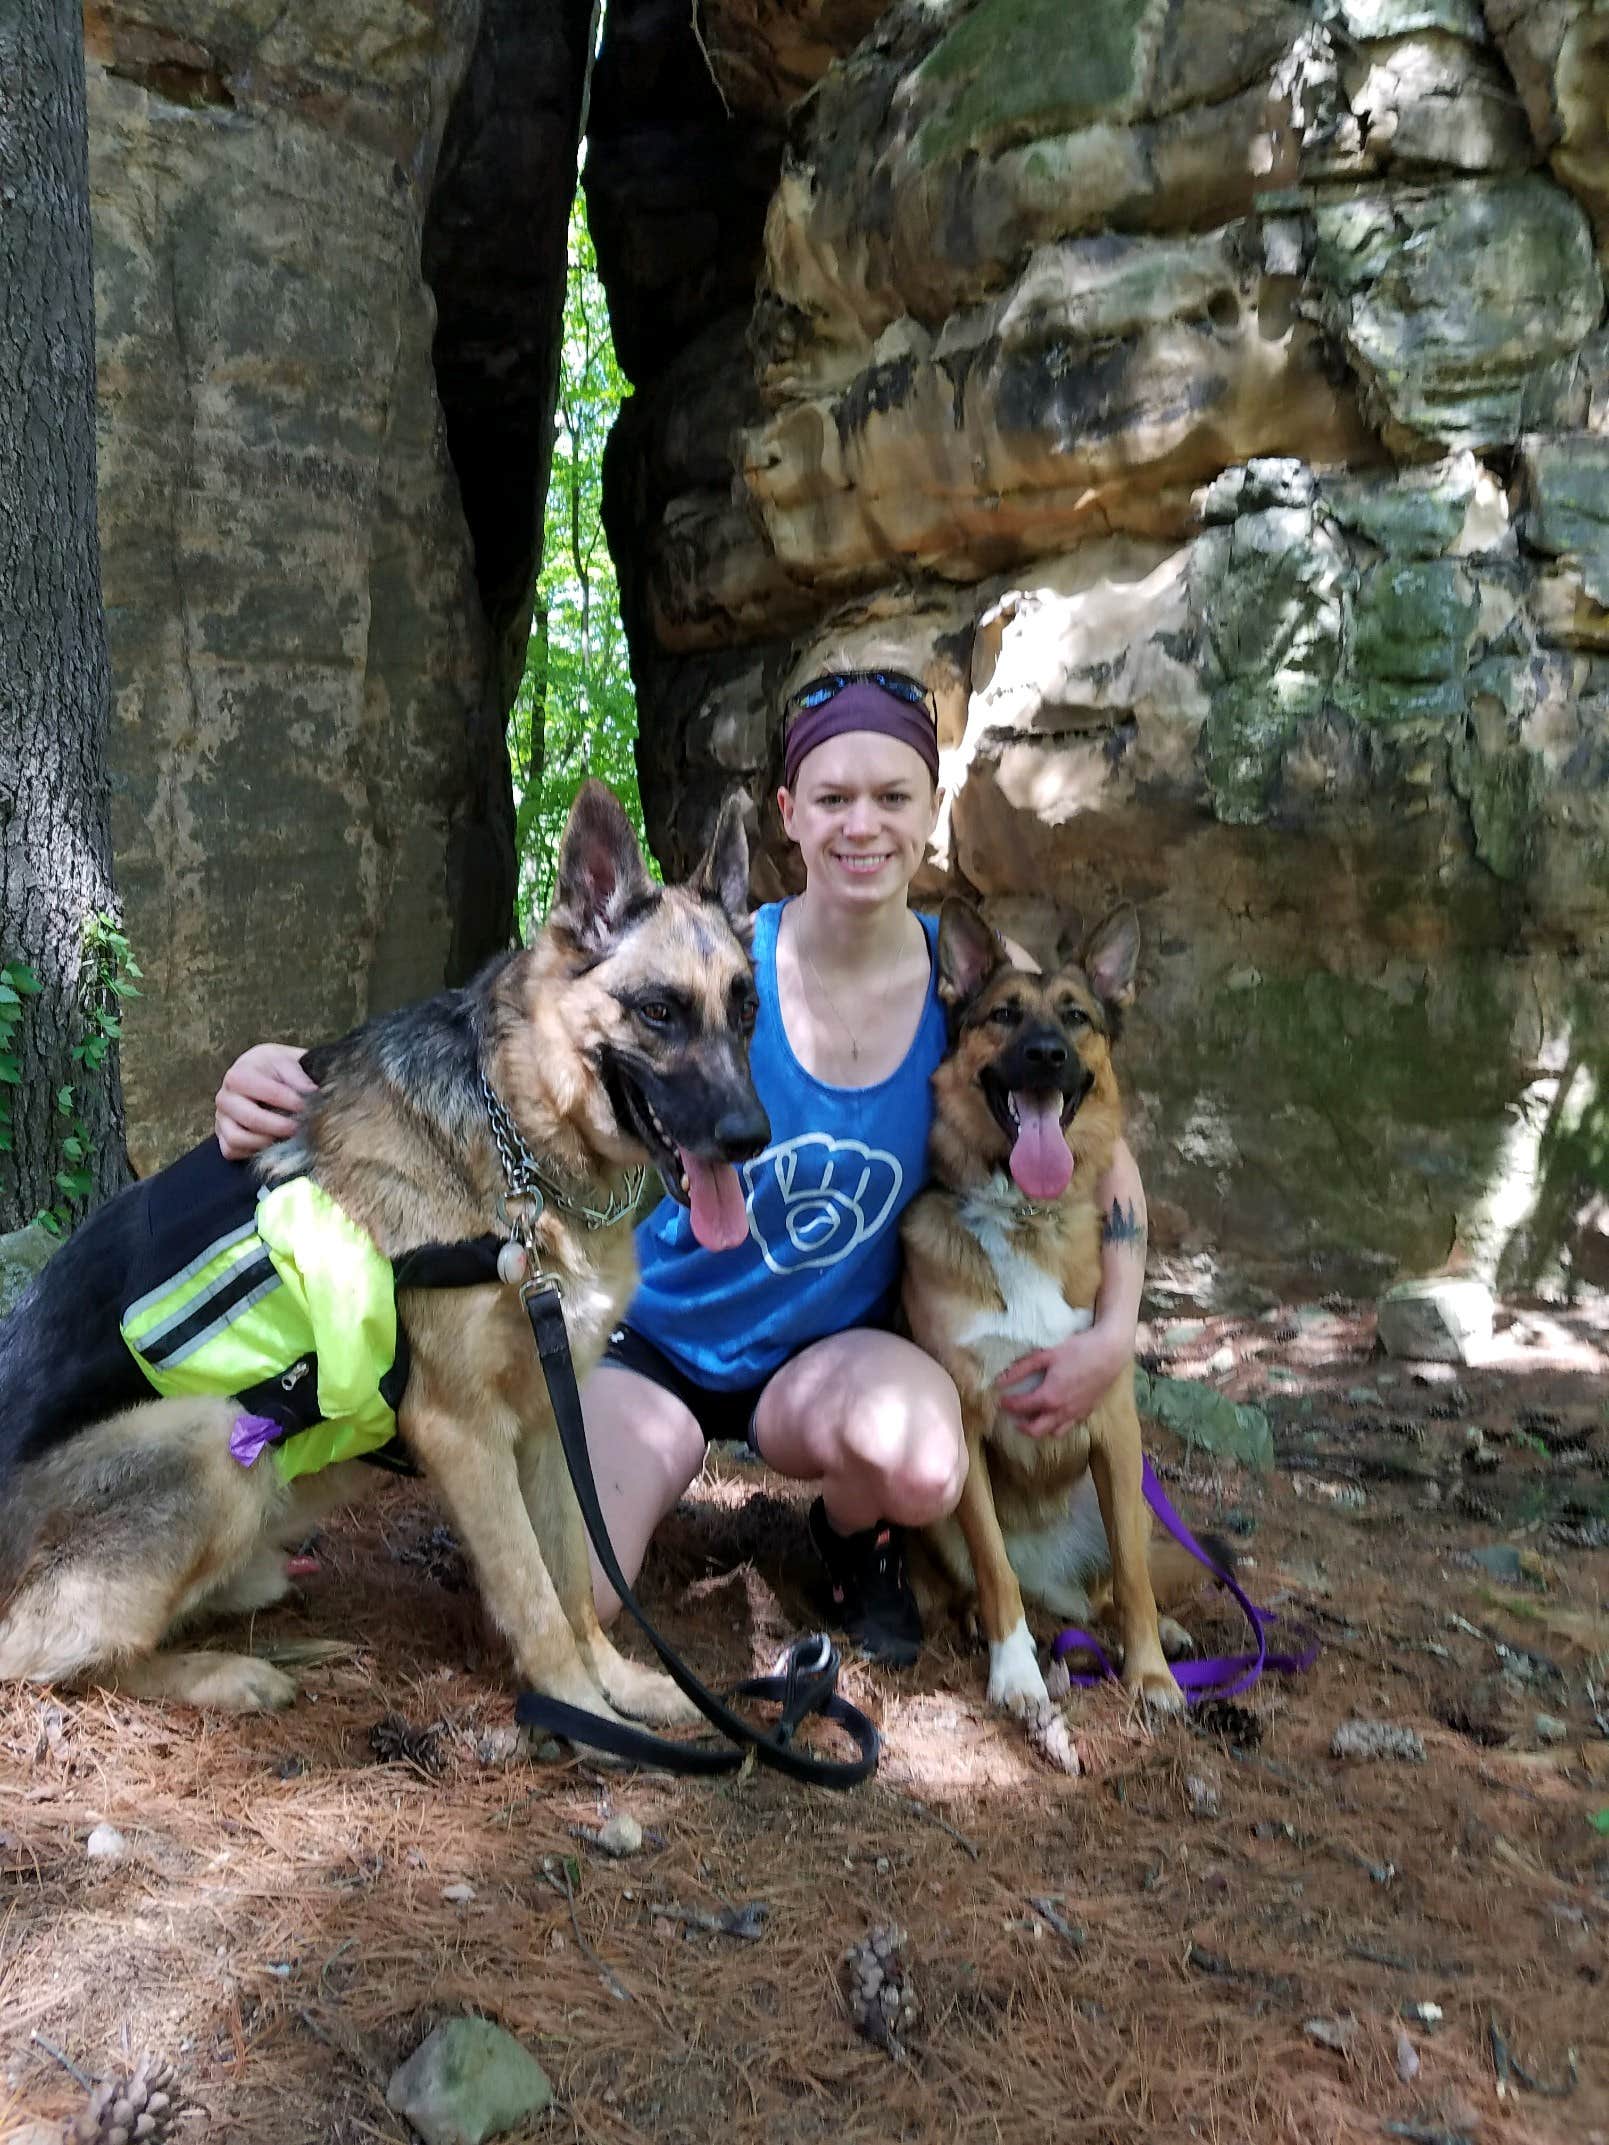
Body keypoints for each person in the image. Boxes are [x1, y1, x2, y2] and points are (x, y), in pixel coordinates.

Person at [215, 669, 1150, 1666]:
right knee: (583, 1602)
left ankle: (852, 1533)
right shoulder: (708, 946)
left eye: (892, 797)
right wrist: (291, 1079)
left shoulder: (973, 983)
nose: (862, 826)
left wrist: (1112, 1333)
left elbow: (1101, 1150)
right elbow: (521, 1028)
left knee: (922, 1457)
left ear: (930, 812)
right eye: (833, 798)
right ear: (790, 813)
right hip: (644, 1343)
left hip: (819, 1358)